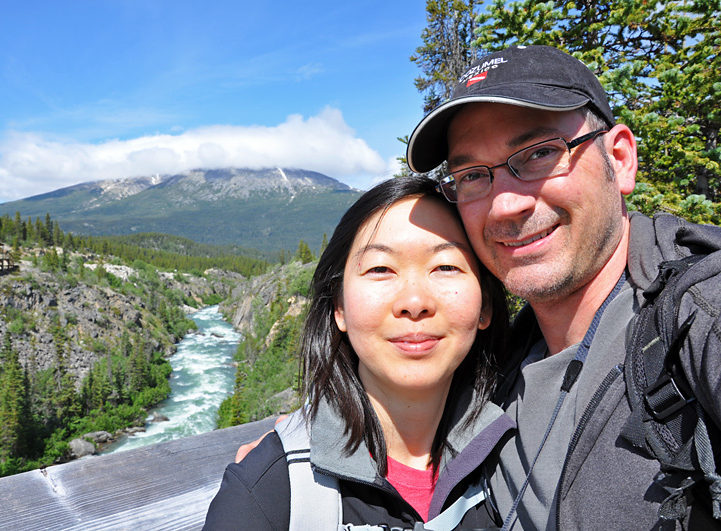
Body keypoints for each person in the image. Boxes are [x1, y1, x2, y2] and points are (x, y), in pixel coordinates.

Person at [404, 45, 721, 529]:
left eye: (539, 153)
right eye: (472, 176)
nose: (505, 205)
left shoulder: (699, 316)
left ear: (619, 159)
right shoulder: (500, 362)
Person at [203, 175, 514, 529]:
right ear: (340, 309)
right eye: (381, 269)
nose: (414, 302)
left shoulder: (517, 452)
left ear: (485, 304)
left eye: (446, 266)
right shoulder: (266, 495)